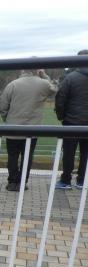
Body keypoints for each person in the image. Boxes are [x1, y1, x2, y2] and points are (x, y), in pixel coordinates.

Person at [0, 67, 57, 191]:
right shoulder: (43, 83)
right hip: (32, 128)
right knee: (27, 156)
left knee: (12, 156)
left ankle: (12, 182)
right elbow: (54, 89)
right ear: (37, 70)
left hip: (13, 127)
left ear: (22, 70)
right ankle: (22, 182)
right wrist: (45, 76)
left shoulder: (12, 84)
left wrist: (7, 119)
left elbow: (3, 106)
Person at [55, 50, 88, 190]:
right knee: (86, 153)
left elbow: (60, 98)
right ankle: (82, 180)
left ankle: (66, 179)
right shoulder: (71, 77)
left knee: (68, 153)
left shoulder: (70, 78)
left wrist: (62, 116)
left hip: (72, 122)